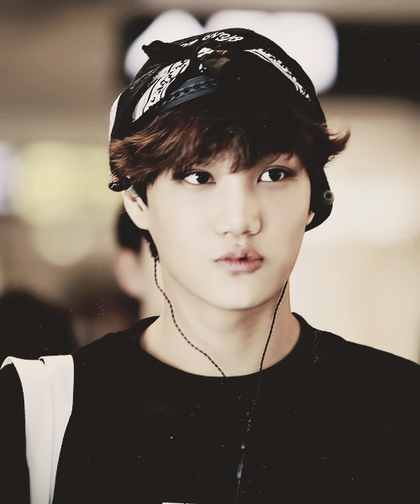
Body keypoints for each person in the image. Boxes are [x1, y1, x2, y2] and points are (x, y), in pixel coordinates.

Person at [1, 28, 419, 504]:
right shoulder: (34, 410)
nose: (240, 219)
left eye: (274, 174)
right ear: (137, 202)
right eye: (198, 177)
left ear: (314, 200)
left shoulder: (398, 408)